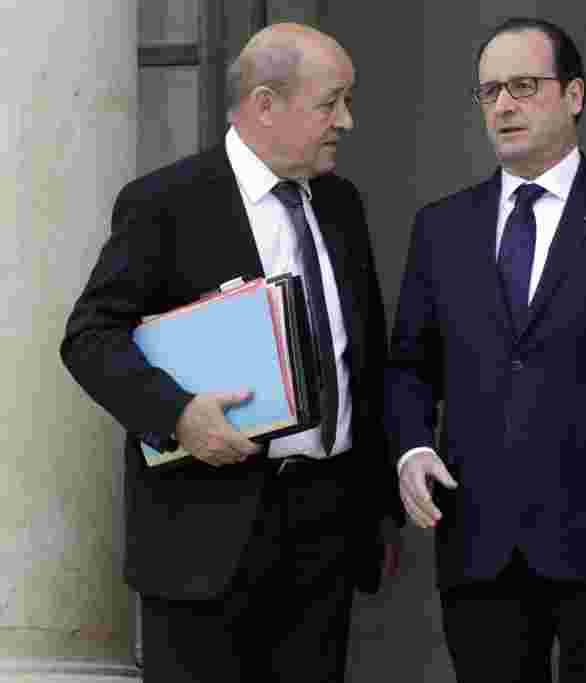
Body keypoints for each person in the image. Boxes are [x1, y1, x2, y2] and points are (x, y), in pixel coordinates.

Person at [60, 23, 401, 683]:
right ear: (266, 104)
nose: (347, 121)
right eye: (330, 103)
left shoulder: (341, 204)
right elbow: (90, 335)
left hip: (325, 534)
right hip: (204, 536)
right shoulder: (166, 203)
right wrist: (178, 411)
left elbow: (364, 359)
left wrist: (376, 508)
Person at [385, 17, 586, 683]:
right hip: (480, 539)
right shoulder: (442, 227)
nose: (503, 105)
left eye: (525, 86)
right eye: (489, 91)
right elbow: (410, 364)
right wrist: (413, 445)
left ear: (575, 96)